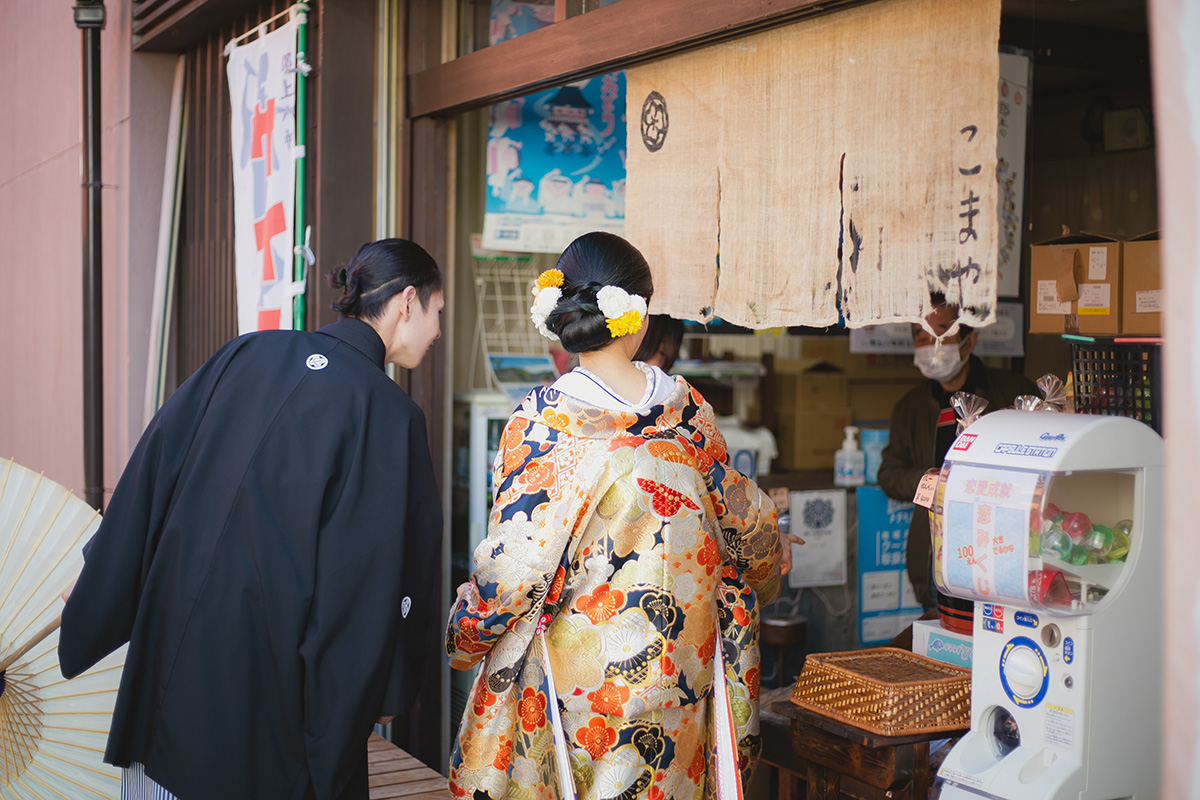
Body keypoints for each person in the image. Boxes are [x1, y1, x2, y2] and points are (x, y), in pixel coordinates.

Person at [59, 239, 446, 800]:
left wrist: (103, 567)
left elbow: (154, 466)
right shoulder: (388, 415)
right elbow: (365, 584)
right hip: (269, 688)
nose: (436, 333)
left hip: (176, 651)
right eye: (437, 313)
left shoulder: (247, 354)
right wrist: (375, 691)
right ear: (408, 302)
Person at [446, 232, 788, 799]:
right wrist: (769, 559)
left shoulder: (544, 424)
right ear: (640, 317)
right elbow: (746, 527)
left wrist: (466, 630)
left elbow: (514, 569)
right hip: (682, 673)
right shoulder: (686, 413)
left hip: (585, 688)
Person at [877, 294, 1036, 611]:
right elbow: (889, 475)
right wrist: (931, 483)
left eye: (941, 331)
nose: (929, 341)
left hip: (1005, 552)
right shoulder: (908, 408)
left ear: (969, 340)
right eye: (920, 334)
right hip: (935, 556)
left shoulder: (1015, 392)